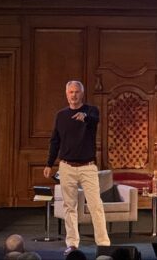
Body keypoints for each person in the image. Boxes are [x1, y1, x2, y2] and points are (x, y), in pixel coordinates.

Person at [44, 80, 110, 255]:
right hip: (66, 167)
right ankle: (72, 244)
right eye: (71, 92)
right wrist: (49, 164)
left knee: (96, 205)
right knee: (69, 206)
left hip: (88, 167)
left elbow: (95, 119)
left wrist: (85, 117)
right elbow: (55, 140)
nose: (74, 95)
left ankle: (103, 243)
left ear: (82, 93)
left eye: (77, 92)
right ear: (67, 94)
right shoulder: (61, 115)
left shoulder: (91, 111)